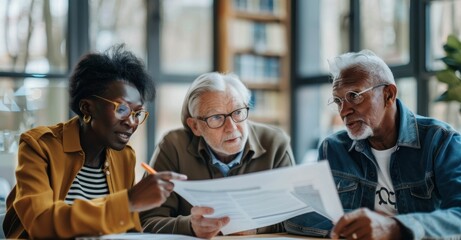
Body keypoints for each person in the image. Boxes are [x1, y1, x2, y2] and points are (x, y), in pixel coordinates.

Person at [2, 45, 187, 239]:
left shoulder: (124, 156)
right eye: (121, 109)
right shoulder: (39, 146)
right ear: (87, 108)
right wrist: (129, 201)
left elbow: (126, 230)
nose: (132, 122)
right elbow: (41, 224)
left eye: (137, 113)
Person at [284, 50, 461, 239]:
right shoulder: (333, 148)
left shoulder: (440, 141)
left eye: (354, 95)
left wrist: (393, 226)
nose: (344, 111)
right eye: (338, 101)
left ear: (389, 95)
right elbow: (300, 214)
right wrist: (359, 225)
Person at [140, 72, 295, 239]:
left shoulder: (275, 144)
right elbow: (147, 221)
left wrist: (255, 228)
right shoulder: (173, 146)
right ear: (195, 126)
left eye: (237, 112)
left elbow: (296, 217)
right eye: (216, 117)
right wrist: (190, 226)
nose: (232, 127)